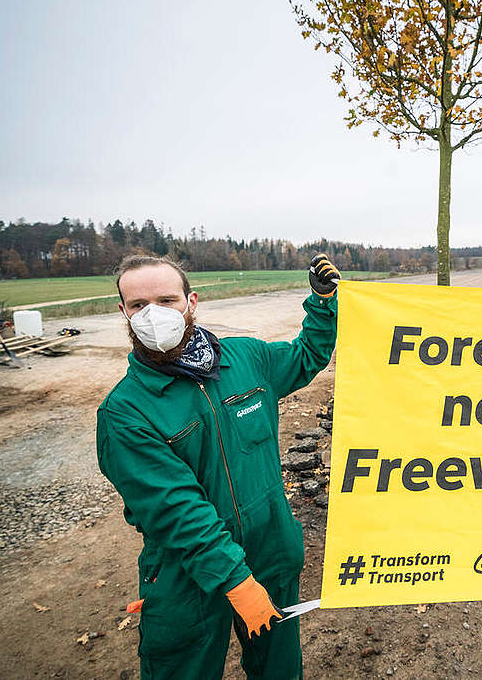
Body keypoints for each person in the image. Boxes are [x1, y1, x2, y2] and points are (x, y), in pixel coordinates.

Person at [96, 253, 341, 679]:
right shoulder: (125, 412)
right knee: (183, 668)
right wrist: (235, 579)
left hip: (271, 551)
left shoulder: (246, 359)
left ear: (191, 302)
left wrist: (321, 303)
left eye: (166, 300)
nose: (153, 314)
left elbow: (305, 357)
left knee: (278, 670)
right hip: (186, 572)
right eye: (138, 305)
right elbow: (178, 511)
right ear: (124, 313)